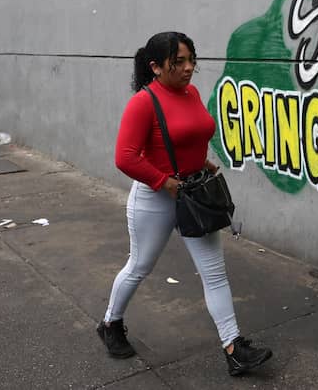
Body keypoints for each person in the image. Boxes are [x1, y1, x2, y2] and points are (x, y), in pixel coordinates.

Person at [97, 31, 272, 376]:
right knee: (139, 266)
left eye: (192, 60)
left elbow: (188, 134)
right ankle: (110, 323)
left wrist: (200, 162)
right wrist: (165, 182)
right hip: (155, 197)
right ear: (156, 67)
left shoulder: (191, 93)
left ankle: (234, 347)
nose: (189, 68)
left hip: (193, 195)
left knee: (214, 273)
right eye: (179, 62)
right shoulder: (144, 102)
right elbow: (125, 157)